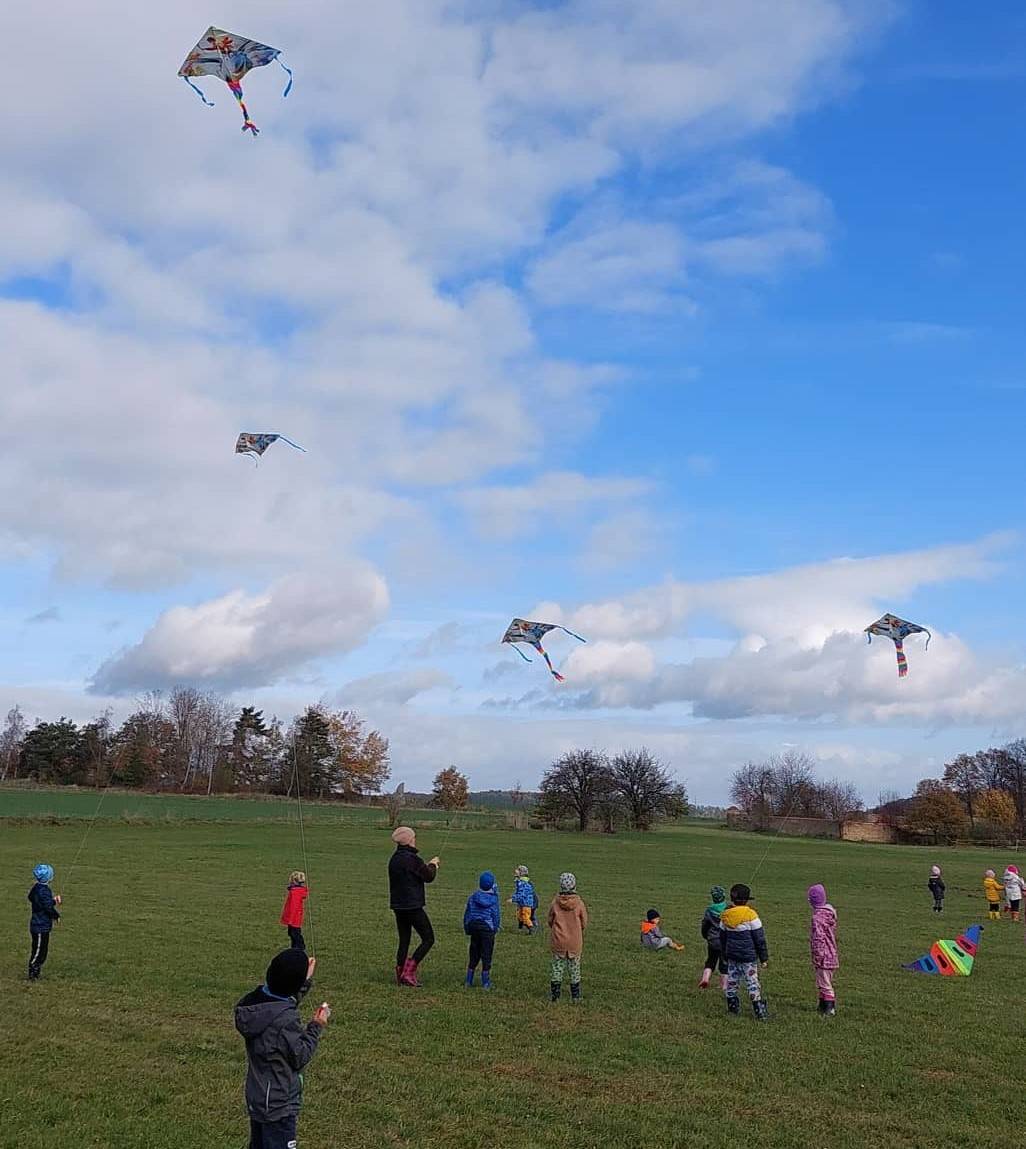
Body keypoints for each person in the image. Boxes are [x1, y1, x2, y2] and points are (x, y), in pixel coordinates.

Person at [235, 948, 329, 1149]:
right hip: (279, 1105)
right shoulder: (285, 1021)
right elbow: (300, 1055)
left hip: (259, 1098)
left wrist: (304, 981)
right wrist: (316, 1026)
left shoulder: (257, 1004)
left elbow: (283, 1001)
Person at [388, 826, 439, 987]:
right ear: (409, 840)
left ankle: (400, 972)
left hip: (398, 906)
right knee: (428, 938)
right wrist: (433, 865)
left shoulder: (394, 859)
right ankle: (409, 972)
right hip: (413, 906)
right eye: (413, 837)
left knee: (404, 940)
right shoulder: (412, 860)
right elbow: (428, 876)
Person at [719, 883, 769, 1020]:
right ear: (746, 900)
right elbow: (759, 939)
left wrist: (724, 955)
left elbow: (722, 938)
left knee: (732, 981)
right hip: (748, 958)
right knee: (752, 982)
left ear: (732, 899)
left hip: (732, 956)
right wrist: (764, 958)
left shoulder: (725, 916)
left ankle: (732, 1008)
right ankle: (759, 1011)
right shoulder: (751, 915)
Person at [548, 872, 588, 1003]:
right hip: (574, 941)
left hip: (558, 940)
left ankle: (555, 995)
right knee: (574, 968)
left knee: (557, 967)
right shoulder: (579, 903)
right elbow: (584, 922)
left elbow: (550, 920)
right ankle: (575, 995)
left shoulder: (555, 902)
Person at [464, 871, 501, 988]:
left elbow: (468, 913)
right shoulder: (494, 899)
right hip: (487, 928)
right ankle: (485, 982)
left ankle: (469, 980)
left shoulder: (473, 897)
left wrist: (467, 927)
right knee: (486, 954)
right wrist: (495, 928)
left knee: (474, 952)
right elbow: (495, 915)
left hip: (474, 926)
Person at [807, 883, 838, 1016]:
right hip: (831, 953)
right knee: (822, 980)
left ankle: (829, 1008)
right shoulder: (829, 914)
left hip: (824, 956)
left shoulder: (817, 918)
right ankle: (822, 1005)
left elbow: (818, 938)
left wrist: (818, 955)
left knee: (825, 983)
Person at [27, 863, 61, 981]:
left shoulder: (37, 888)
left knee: (42, 950)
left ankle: (36, 970)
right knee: (39, 951)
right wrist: (56, 915)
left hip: (39, 925)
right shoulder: (44, 891)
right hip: (40, 926)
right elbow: (47, 907)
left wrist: (53, 901)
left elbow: (37, 900)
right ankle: (33, 970)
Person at [699, 885, 728, 990]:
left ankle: (705, 978)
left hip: (712, 940)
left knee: (710, 960)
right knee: (724, 963)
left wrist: (705, 936)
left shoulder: (709, 910)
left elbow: (705, 925)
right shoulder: (728, 910)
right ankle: (724, 985)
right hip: (725, 942)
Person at [280, 870, 309, 950]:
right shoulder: (295, 891)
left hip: (294, 918)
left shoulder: (295, 892)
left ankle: (300, 948)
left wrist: (290, 920)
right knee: (292, 934)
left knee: (295, 934)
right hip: (294, 918)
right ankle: (294, 948)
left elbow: (294, 906)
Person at [511, 865, 538, 934]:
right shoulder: (520, 881)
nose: (516, 871)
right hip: (523, 902)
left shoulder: (524, 883)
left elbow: (522, 893)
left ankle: (531, 927)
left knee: (527, 916)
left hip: (528, 902)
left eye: (518, 870)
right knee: (520, 914)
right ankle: (521, 925)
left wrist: (513, 899)